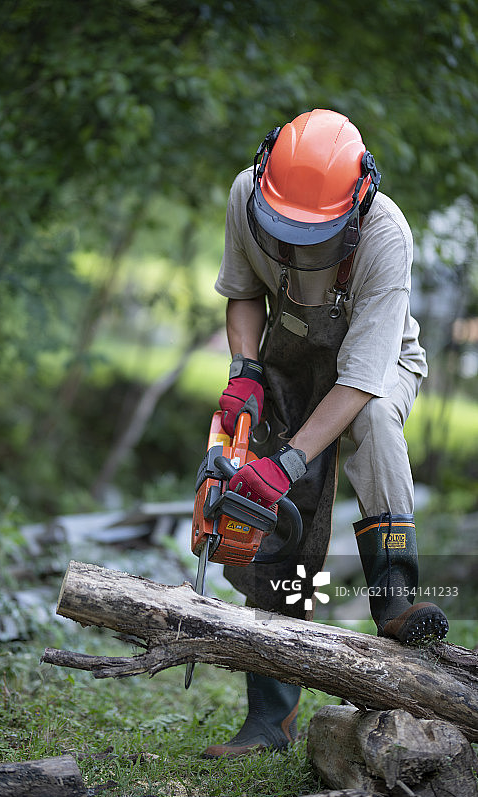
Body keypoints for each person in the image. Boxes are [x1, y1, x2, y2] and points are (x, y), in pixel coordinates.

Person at [202, 108, 449, 759]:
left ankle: (393, 596)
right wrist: (244, 368)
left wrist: (287, 460)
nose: (294, 245)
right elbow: (242, 290)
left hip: (373, 368)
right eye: (283, 229)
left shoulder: (385, 234)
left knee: (366, 423)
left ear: (356, 203)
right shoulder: (243, 194)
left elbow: (363, 378)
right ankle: (268, 721)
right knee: (272, 520)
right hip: (287, 360)